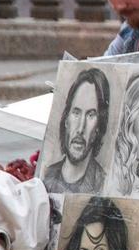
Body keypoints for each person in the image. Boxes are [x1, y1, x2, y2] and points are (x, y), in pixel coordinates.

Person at [43, 67, 111, 195]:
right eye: (76, 112)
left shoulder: (104, 184)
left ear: (99, 126)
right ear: (66, 119)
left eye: (91, 115)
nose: (80, 129)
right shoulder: (46, 175)